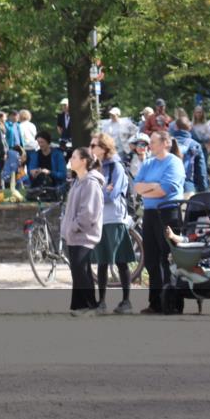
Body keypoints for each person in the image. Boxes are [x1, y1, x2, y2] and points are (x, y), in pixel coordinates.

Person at [134, 130, 185, 314]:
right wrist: (152, 186)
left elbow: (165, 190)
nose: (150, 145)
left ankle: (171, 302)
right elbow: (137, 187)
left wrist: (151, 188)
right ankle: (155, 302)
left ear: (165, 143)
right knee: (151, 258)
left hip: (167, 212)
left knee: (167, 256)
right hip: (149, 213)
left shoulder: (174, 163)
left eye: (153, 141)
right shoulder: (148, 163)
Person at [90, 133, 134, 314]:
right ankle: (101, 302)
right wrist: (101, 190)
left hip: (115, 218)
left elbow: (112, 194)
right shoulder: (96, 167)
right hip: (100, 219)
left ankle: (126, 301)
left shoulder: (116, 166)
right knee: (101, 261)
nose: (91, 149)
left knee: (121, 261)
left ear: (104, 148)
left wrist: (99, 191)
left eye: (94, 145)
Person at [61, 147, 104, 316]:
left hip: (84, 234)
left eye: (74, 157)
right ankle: (80, 306)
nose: (70, 160)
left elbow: (89, 212)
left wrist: (74, 225)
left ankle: (91, 306)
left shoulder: (91, 183)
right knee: (80, 270)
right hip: (75, 234)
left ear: (84, 161)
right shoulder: (78, 181)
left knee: (80, 269)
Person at [171, 117, 209, 195]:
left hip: (168, 187)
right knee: (186, 206)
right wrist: (203, 190)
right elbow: (201, 171)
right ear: (190, 128)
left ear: (175, 127)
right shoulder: (195, 145)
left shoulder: (167, 143)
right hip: (188, 186)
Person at [191, 106, 210, 176]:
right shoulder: (191, 125)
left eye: (200, 112)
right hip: (193, 149)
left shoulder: (205, 125)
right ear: (194, 113)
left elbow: (208, 138)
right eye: (197, 112)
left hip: (203, 148)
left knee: (203, 166)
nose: (198, 114)